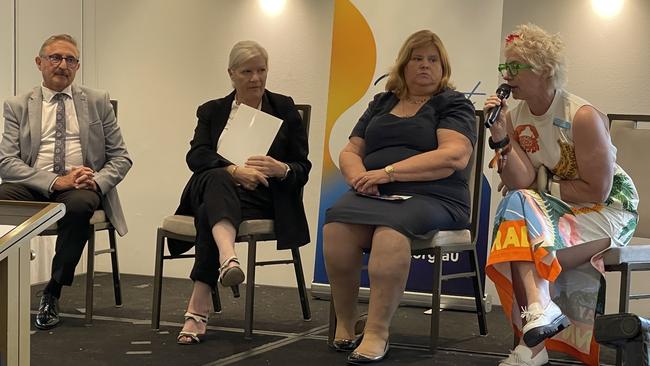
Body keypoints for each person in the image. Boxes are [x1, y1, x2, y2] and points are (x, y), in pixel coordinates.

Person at [484, 24, 638, 366]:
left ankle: (533, 347)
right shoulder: (515, 117)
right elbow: (521, 182)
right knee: (516, 209)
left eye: (515, 67)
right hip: (556, 210)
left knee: (519, 228)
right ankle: (540, 315)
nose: (506, 75)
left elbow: (598, 190)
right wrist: (499, 138)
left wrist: (541, 184)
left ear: (544, 70)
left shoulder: (581, 117)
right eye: (504, 67)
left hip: (608, 211)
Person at [323, 30, 476, 364]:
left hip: (435, 195)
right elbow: (351, 150)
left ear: (442, 66)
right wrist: (359, 178)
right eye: (417, 58)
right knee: (336, 224)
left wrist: (388, 172)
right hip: (376, 192)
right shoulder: (382, 102)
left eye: (432, 60)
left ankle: (378, 331)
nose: (424, 66)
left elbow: (453, 157)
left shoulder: (452, 103)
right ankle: (347, 323)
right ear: (404, 65)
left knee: (390, 232)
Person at [170, 40, 310, 345]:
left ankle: (204, 299)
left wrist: (280, 169)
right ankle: (226, 260)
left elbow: (303, 166)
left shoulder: (284, 107)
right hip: (219, 187)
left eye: (261, 70)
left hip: (261, 197)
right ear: (231, 74)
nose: (256, 78)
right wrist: (234, 170)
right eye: (247, 71)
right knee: (217, 177)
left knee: (208, 210)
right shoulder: (212, 110)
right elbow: (196, 156)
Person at [0, 34, 132, 330]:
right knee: (2, 198)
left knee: (79, 207)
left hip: (81, 188)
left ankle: (52, 292)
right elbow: (6, 163)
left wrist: (96, 181)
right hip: (35, 184)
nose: (63, 65)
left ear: (77, 65)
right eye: (55, 58)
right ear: (39, 63)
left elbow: (121, 158)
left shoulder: (97, 102)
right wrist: (55, 181)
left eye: (70, 59)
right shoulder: (18, 105)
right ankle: (6, 283)